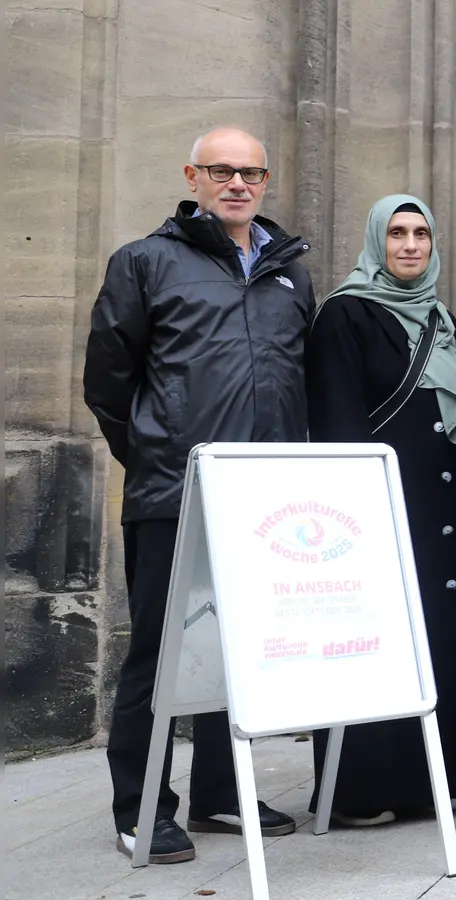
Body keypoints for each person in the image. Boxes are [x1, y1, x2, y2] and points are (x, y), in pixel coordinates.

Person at [85, 127, 313, 863]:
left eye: (251, 172)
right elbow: (108, 383)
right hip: (174, 492)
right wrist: (155, 452)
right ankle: (141, 807)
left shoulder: (288, 270)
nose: (238, 183)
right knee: (159, 652)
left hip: (263, 503)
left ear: (266, 180)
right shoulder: (146, 262)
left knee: (242, 651)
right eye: (222, 170)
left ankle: (220, 793)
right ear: (194, 174)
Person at [304, 194, 456, 825]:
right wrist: (359, 513)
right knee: (380, 637)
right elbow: (338, 423)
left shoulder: (443, 319)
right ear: (375, 241)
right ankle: (367, 786)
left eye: (421, 233)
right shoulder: (346, 315)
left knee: (441, 629)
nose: (411, 245)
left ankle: (444, 773)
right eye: (396, 233)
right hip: (385, 504)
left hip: (446, 498)